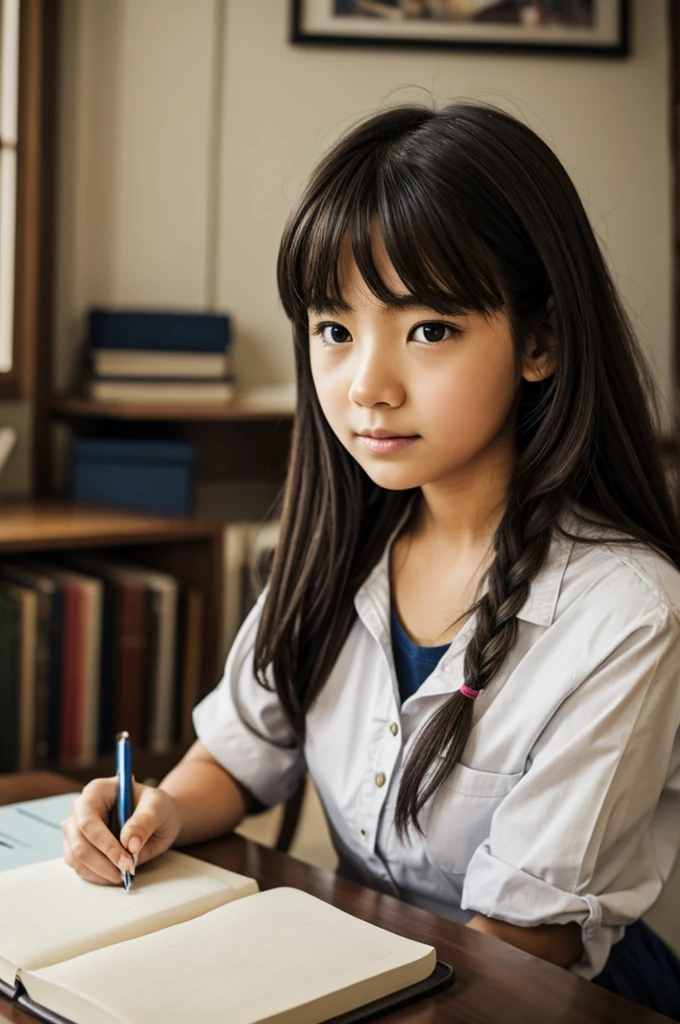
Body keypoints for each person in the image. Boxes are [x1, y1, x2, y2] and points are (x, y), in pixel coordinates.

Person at [62, 100, 680, 1017]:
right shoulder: (334, 546)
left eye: (429, 329)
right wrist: (154, 814)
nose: (367, 387)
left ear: (540, 340)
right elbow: (238, 757)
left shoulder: (630, 612)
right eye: (334, 330)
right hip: (364, 975)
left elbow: (526, 946)